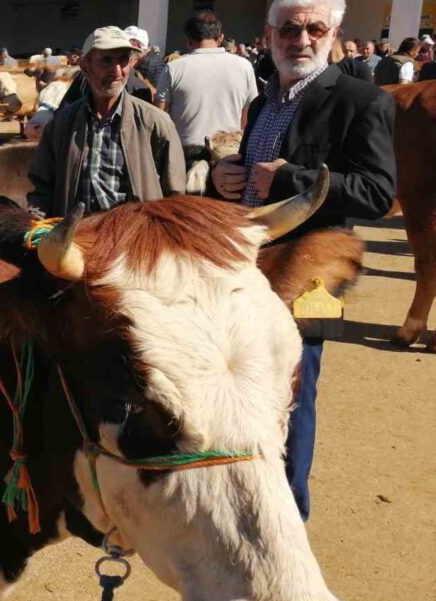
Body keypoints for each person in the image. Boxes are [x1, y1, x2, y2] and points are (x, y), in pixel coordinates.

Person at [211, 0, 395, 520]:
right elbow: (253, 175)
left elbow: (379, 193)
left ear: (333, 32)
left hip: (310, 271)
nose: (302, 38)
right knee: (242, 383)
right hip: (248, 270)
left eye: (315, 27)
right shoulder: (264, 100)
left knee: (295, 391)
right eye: (290, 28)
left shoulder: (361, 100)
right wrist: (224, 177)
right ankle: (242, 496)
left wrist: (291, 177)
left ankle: (287, 512)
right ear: (270, 35)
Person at [29, 26, 185, 218]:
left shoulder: (155, 123)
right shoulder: (62, 124)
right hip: (77, 239)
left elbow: (175, 196)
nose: (117, 70)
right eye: (107, 60)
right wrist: (38, 228)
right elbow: (42, 189)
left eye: (123, 60)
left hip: (134, 240)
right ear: (86, 67)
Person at [155, 11, 258, 147]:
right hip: (228, 154)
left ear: (187, 39)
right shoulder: (244, 66)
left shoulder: (174, 68)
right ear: (220, 38)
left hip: (183, 155)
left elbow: (157, 119)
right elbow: (248, 120)